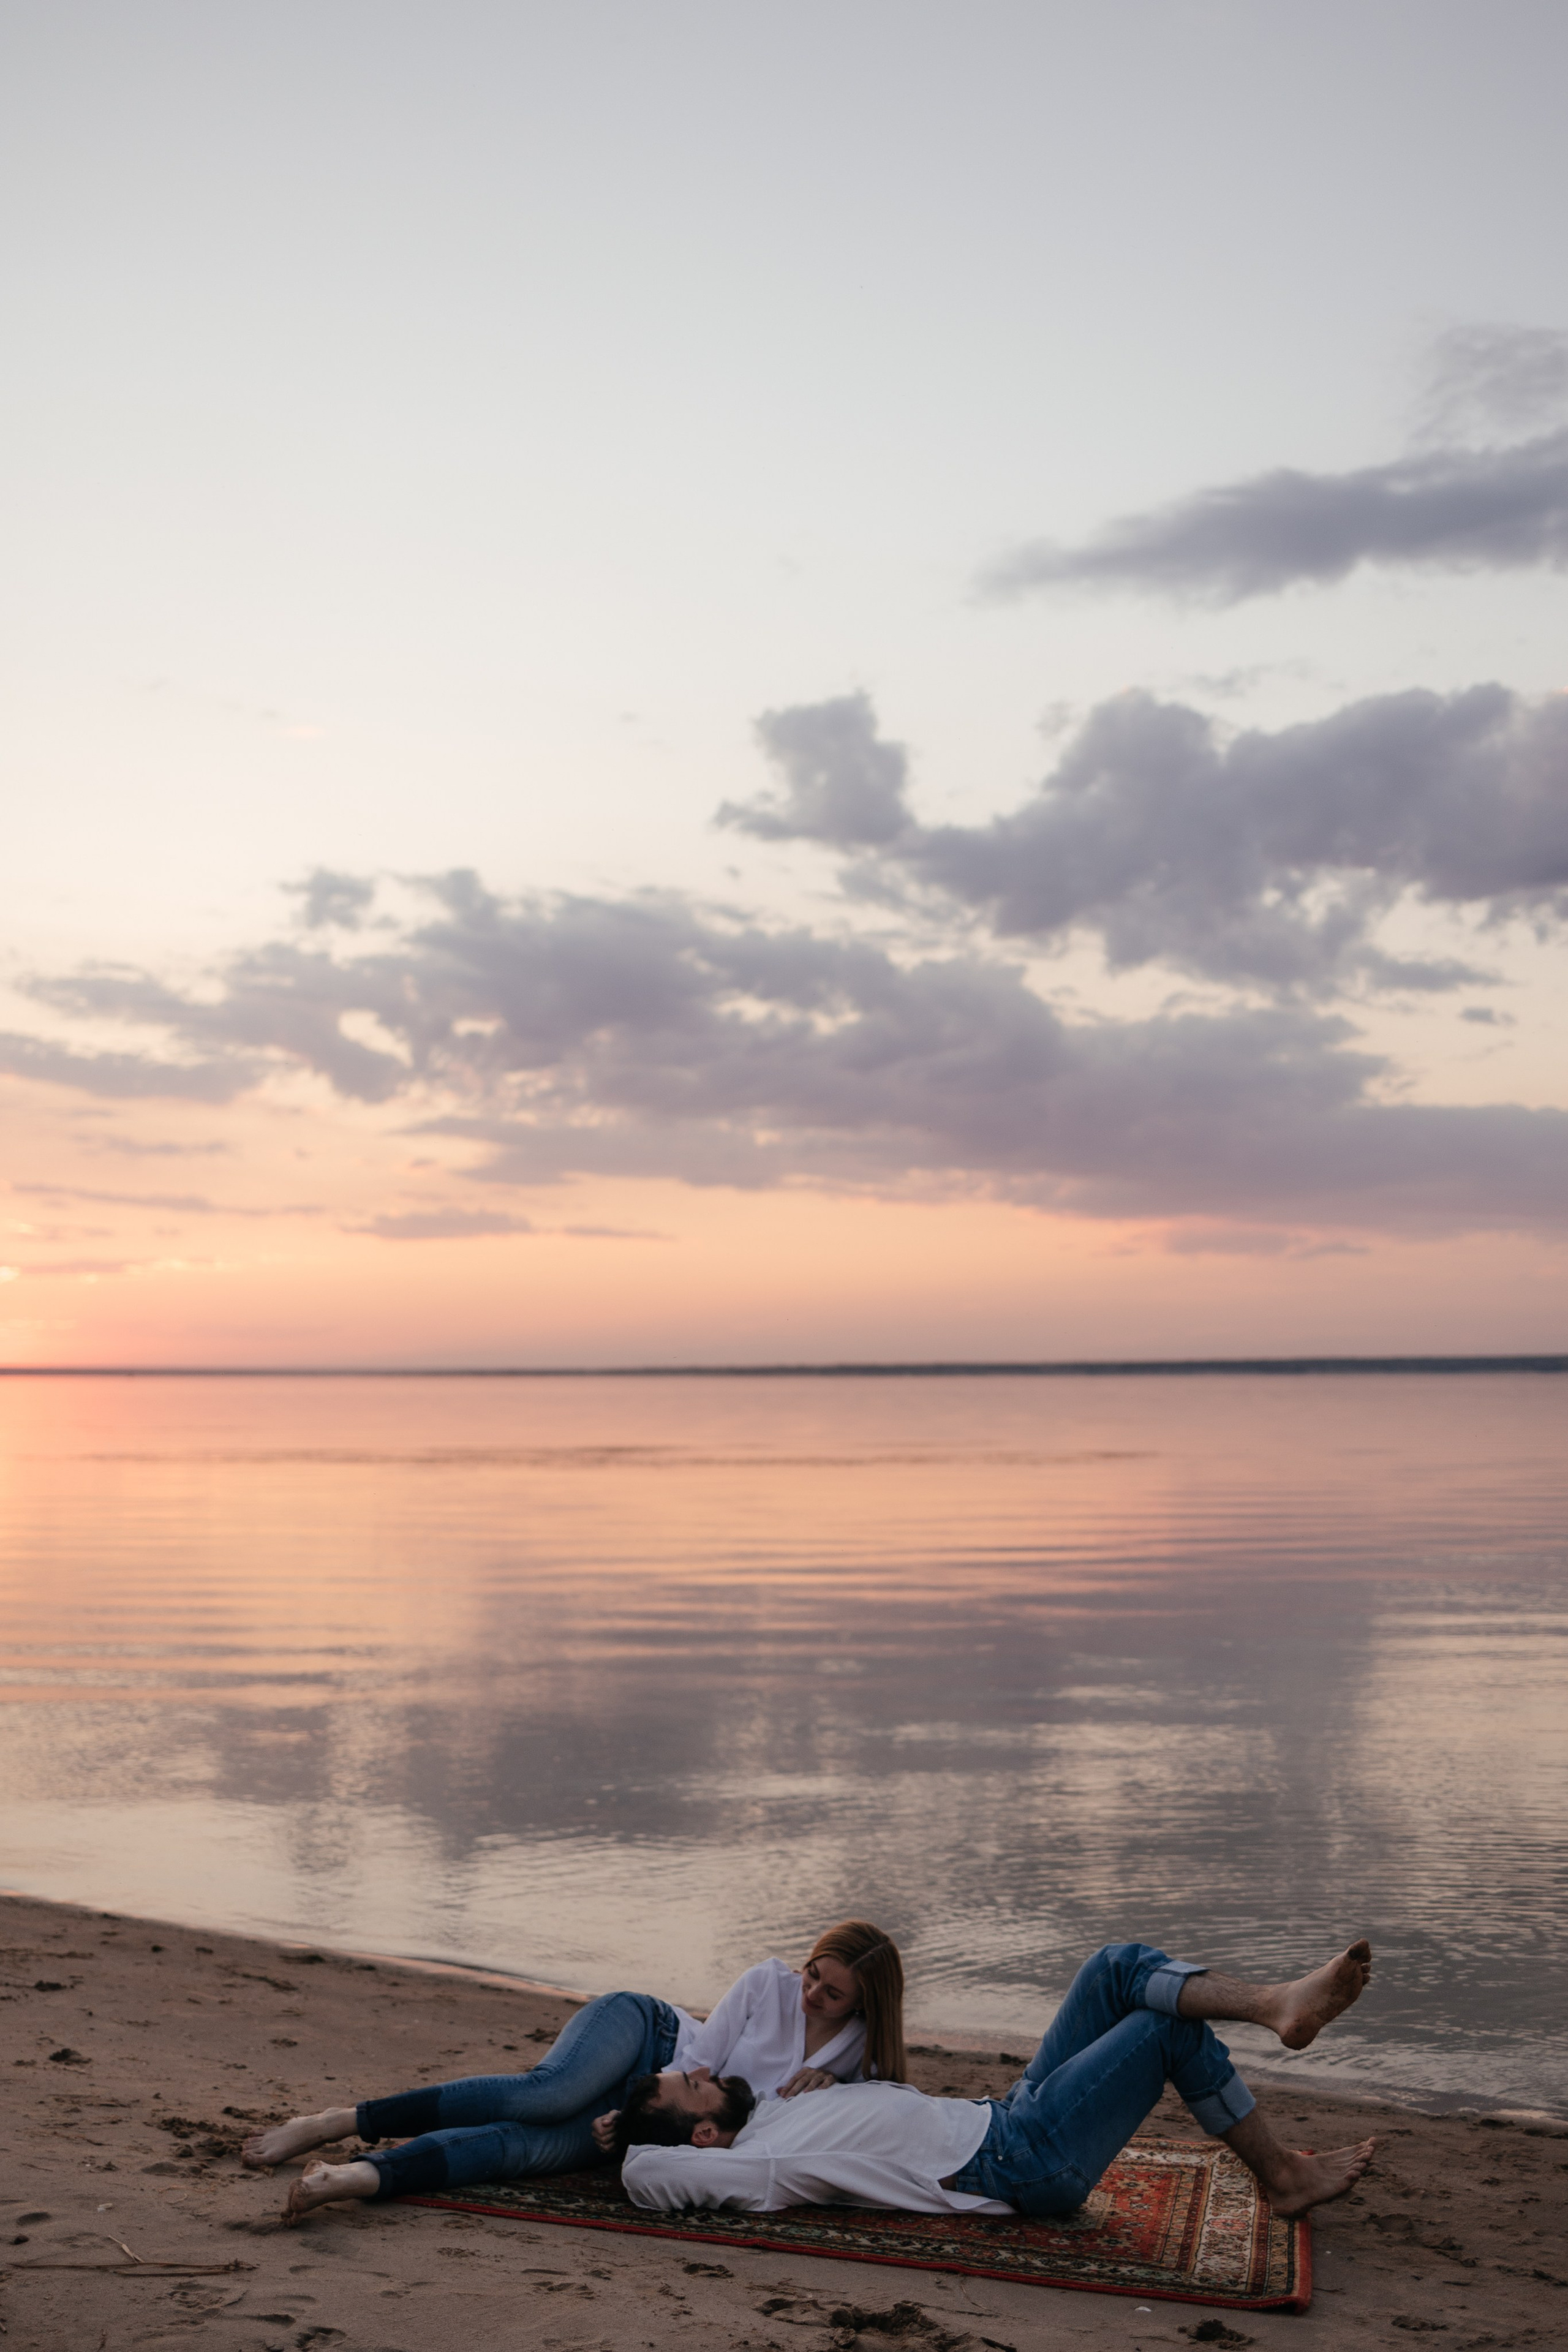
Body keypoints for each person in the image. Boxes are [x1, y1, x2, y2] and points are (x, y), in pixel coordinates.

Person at [615, 1937, 1377, 2223]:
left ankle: (1272, 2005)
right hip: (1020, 2159)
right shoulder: (754, 2164)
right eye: (692, 2088)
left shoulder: (774, 2108)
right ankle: (1280, 2175)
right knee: (1161, 2031)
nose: (701, 2071)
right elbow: (651, 2174)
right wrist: (625, 2133)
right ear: (704, 2134)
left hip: (1002, 2116)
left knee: (1111, 1968)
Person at [244, 1918, 905, 2222]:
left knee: (531, 2148)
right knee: (546, 2095)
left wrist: (842, 2085)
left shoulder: (859, 2056)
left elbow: (877, 2112)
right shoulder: (766, 1982)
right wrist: (639, 2113)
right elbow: (695, 2063)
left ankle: (358, 2176)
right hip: (653, 2046)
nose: (810, 1994)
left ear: (865, 2006)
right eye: (812, 1974)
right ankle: (337, 2121)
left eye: (831, 1993)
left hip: (670, 2119)